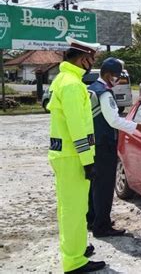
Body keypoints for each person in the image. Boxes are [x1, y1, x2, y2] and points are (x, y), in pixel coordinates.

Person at [47, 36, 106, 273]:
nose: (91, 64)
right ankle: (74, 261)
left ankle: (77, 247)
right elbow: (77, 128)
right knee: (74, 210)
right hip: (73, 157)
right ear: (83, 60)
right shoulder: (72, 85)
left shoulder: (65, 79)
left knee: (73, 207)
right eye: (91, 60)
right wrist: (87, 161)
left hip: (67, 155)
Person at [87, 58, 141, 238]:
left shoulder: (91, 89)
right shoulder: (105, 93)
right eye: (116, 76)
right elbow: (114, 120)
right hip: (104, 144)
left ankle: (93, 219)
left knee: (94, 185)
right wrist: (137, 126)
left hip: (93, 142)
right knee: (105, 187)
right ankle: (102, 226)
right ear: (108, 75)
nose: (117, 80)